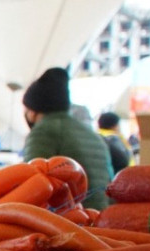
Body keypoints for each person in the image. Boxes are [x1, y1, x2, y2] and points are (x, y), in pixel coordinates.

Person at [20, 67, 113, 210]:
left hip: (69, 219)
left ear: (33, 110)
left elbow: (30, 182)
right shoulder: (91, 134)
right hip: (100, 217)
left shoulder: (44, 130)